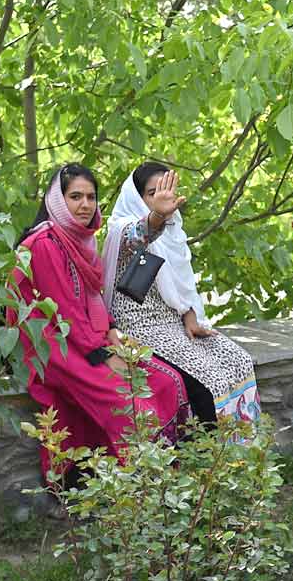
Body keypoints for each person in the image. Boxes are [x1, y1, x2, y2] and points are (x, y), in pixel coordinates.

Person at [8, 164, 188, 479]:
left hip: (88, 339)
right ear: (56, 200)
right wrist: (104, 356)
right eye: (75, 196)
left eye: (91, 197)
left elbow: (92, 299)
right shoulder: (45, 244)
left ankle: (168, 483)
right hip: (57, 349)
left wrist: (112, 332)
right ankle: (136, 494)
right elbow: (65, 312)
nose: (85, 204)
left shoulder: (80, 240)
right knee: (132, 409)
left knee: (166, 383)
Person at [101, 162, 260, 427]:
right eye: (152, 193)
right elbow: (141, 235)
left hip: (174, 325)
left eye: (167, 192)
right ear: (136, 197)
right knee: (211, 380)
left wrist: (189, 314)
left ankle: (246, 455)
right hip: (138, 329)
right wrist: (157, 216)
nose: (163, 198)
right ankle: (217, 461)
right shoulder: (122, 230)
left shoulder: (174, 233)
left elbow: (180, 286)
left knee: (239, 361)